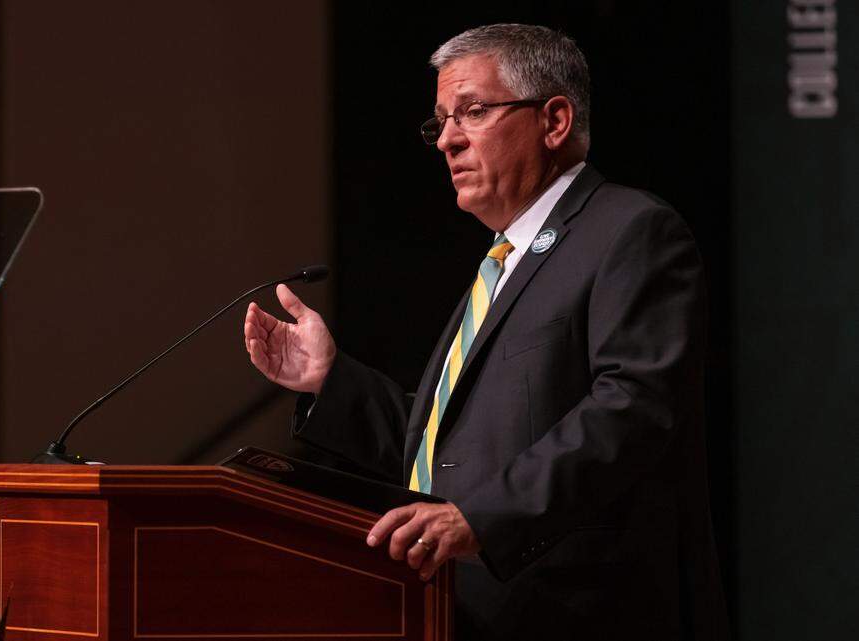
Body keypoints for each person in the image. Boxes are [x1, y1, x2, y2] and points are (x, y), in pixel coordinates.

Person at [243, 24, 728, 640]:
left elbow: (633, 408)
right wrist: (329, 380)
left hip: (580, 614)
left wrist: (482, 517)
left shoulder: (630, 232)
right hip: (460, 612)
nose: (447, 140)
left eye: (472, 112)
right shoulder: (502, 262)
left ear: (554, 121)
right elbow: (445, 456)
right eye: (440, 121)